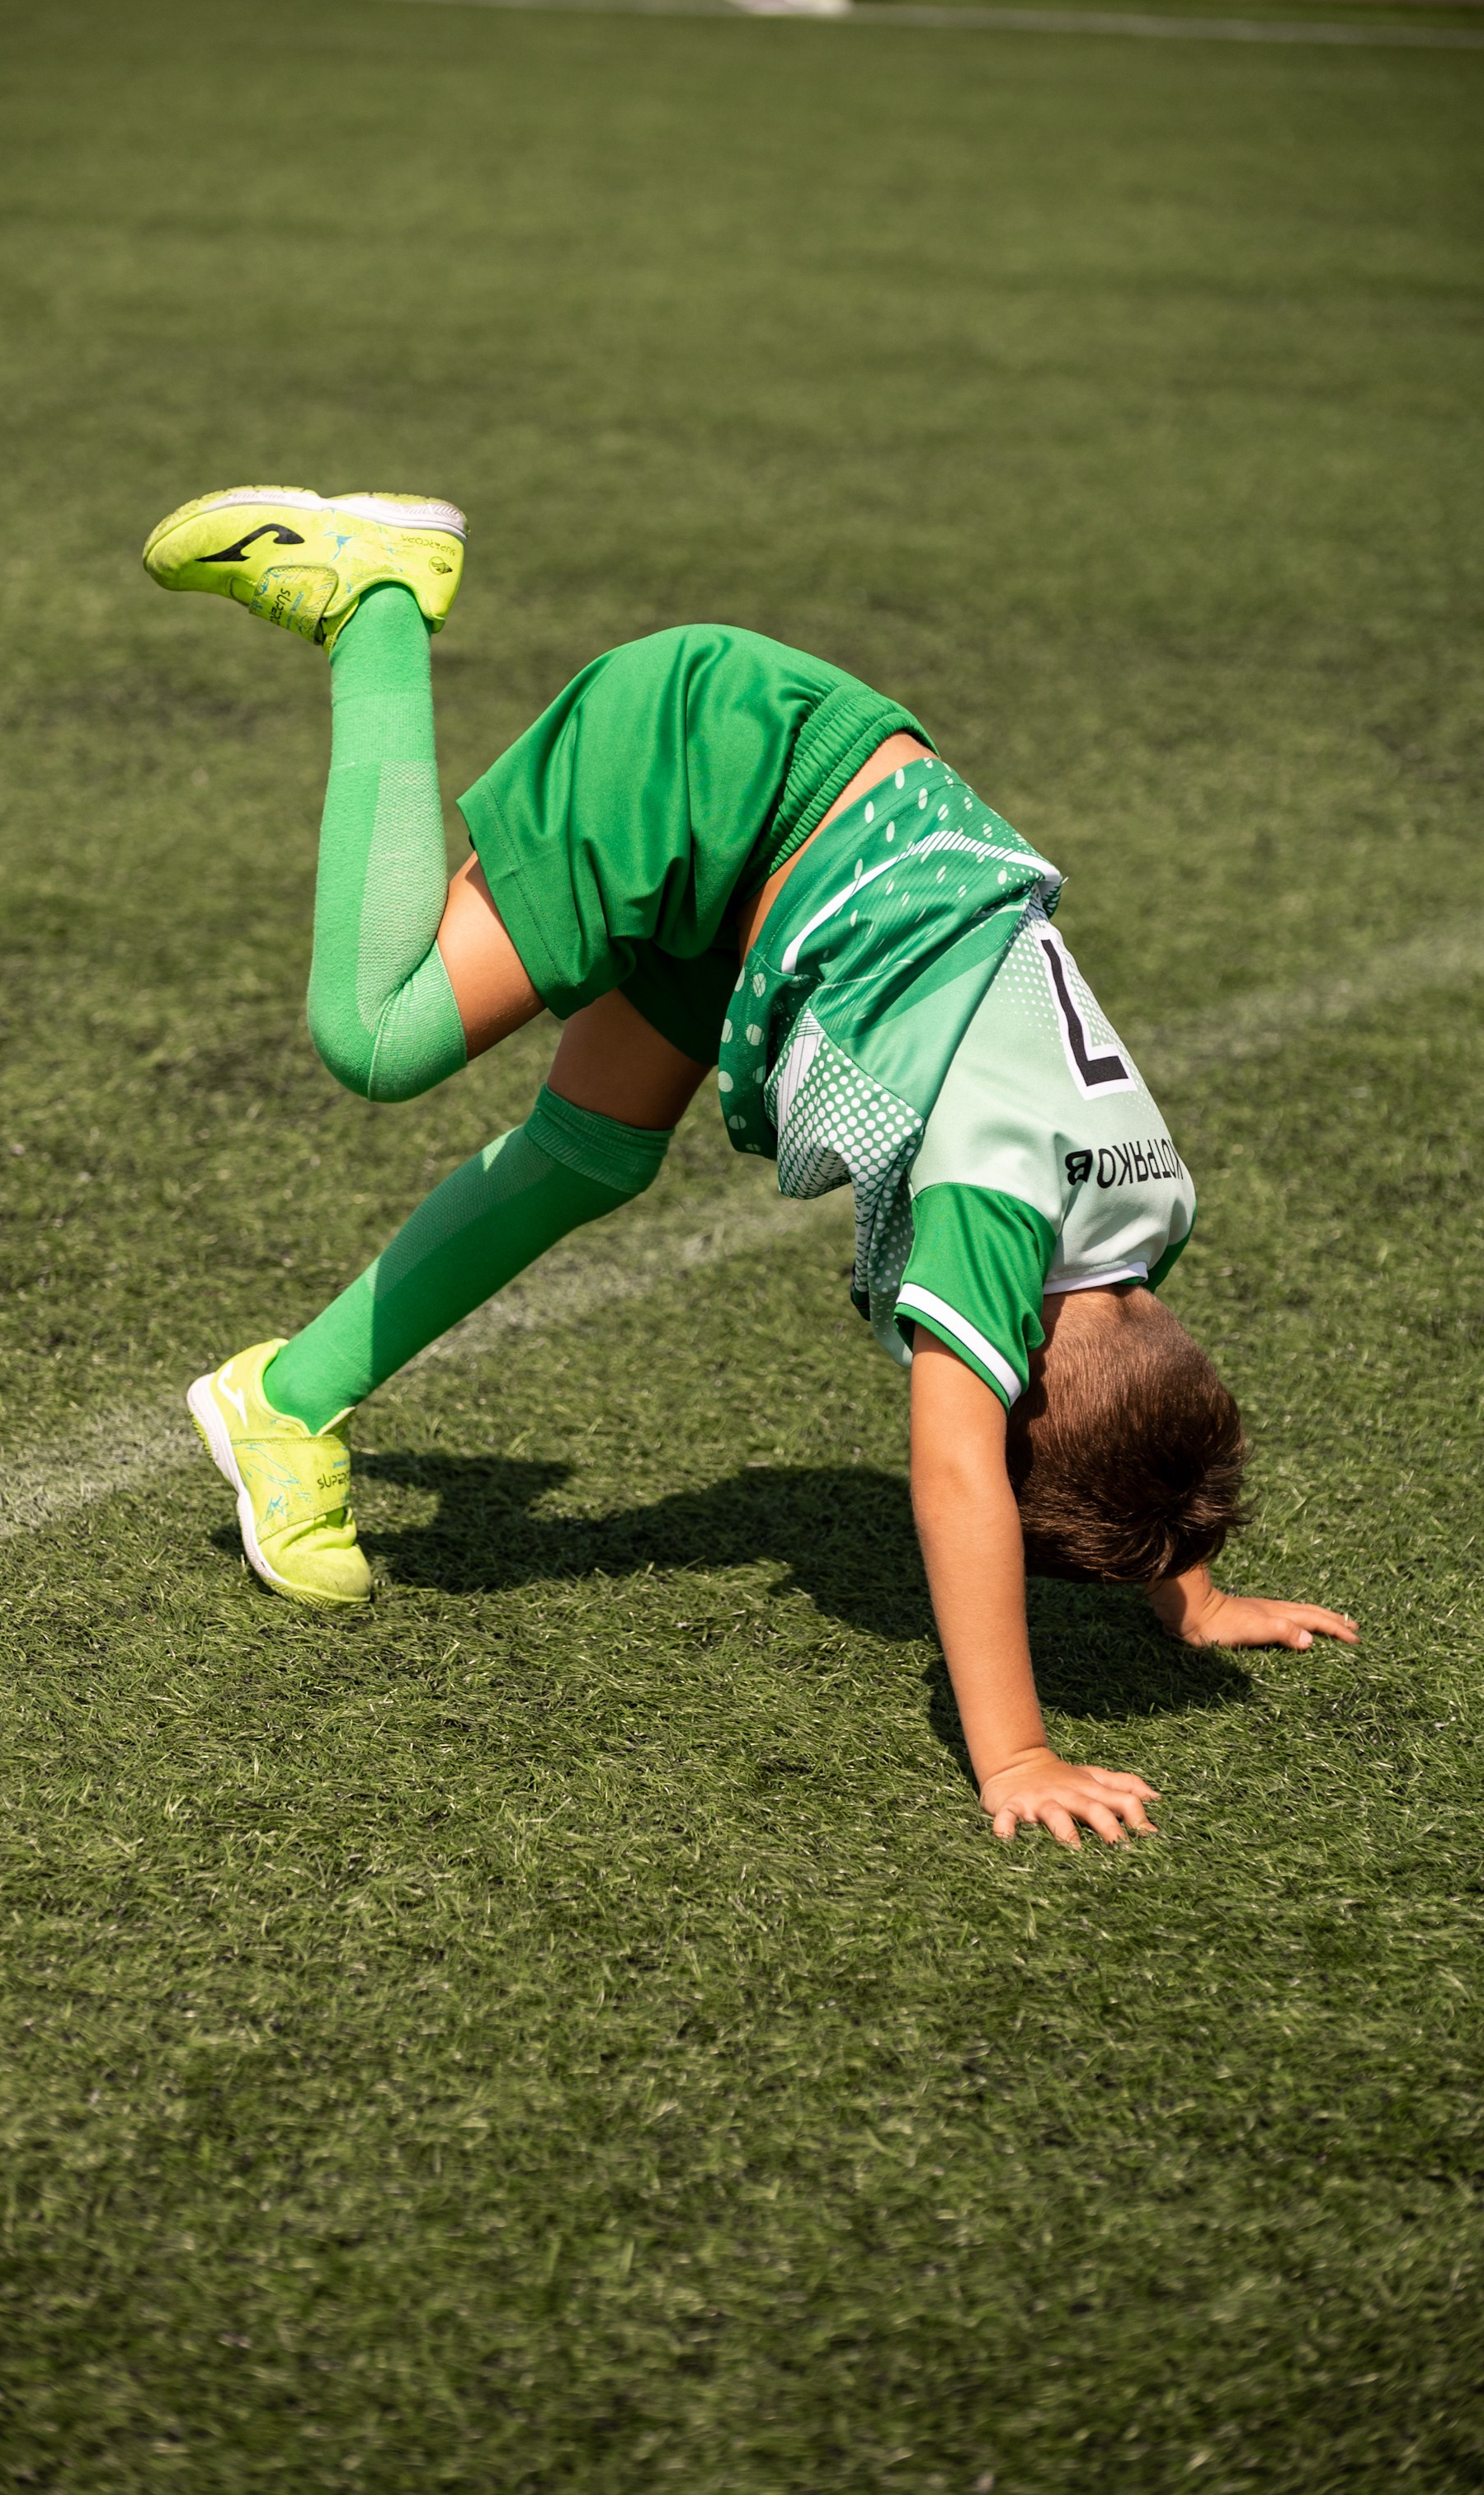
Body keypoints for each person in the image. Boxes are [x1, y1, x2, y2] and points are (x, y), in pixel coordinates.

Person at [142, 485, 1358, 1848]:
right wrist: (1015, 1756)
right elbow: (959, 1475)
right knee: (378, 1033)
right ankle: (370, 602)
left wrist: (1187, 1588)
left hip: (801, 836)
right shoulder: (993, 1217)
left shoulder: (1145, 1220)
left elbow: (1141, 1414)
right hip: (713, 764)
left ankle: (286, 1403)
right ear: (1018, 1371)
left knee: (587, 1152)